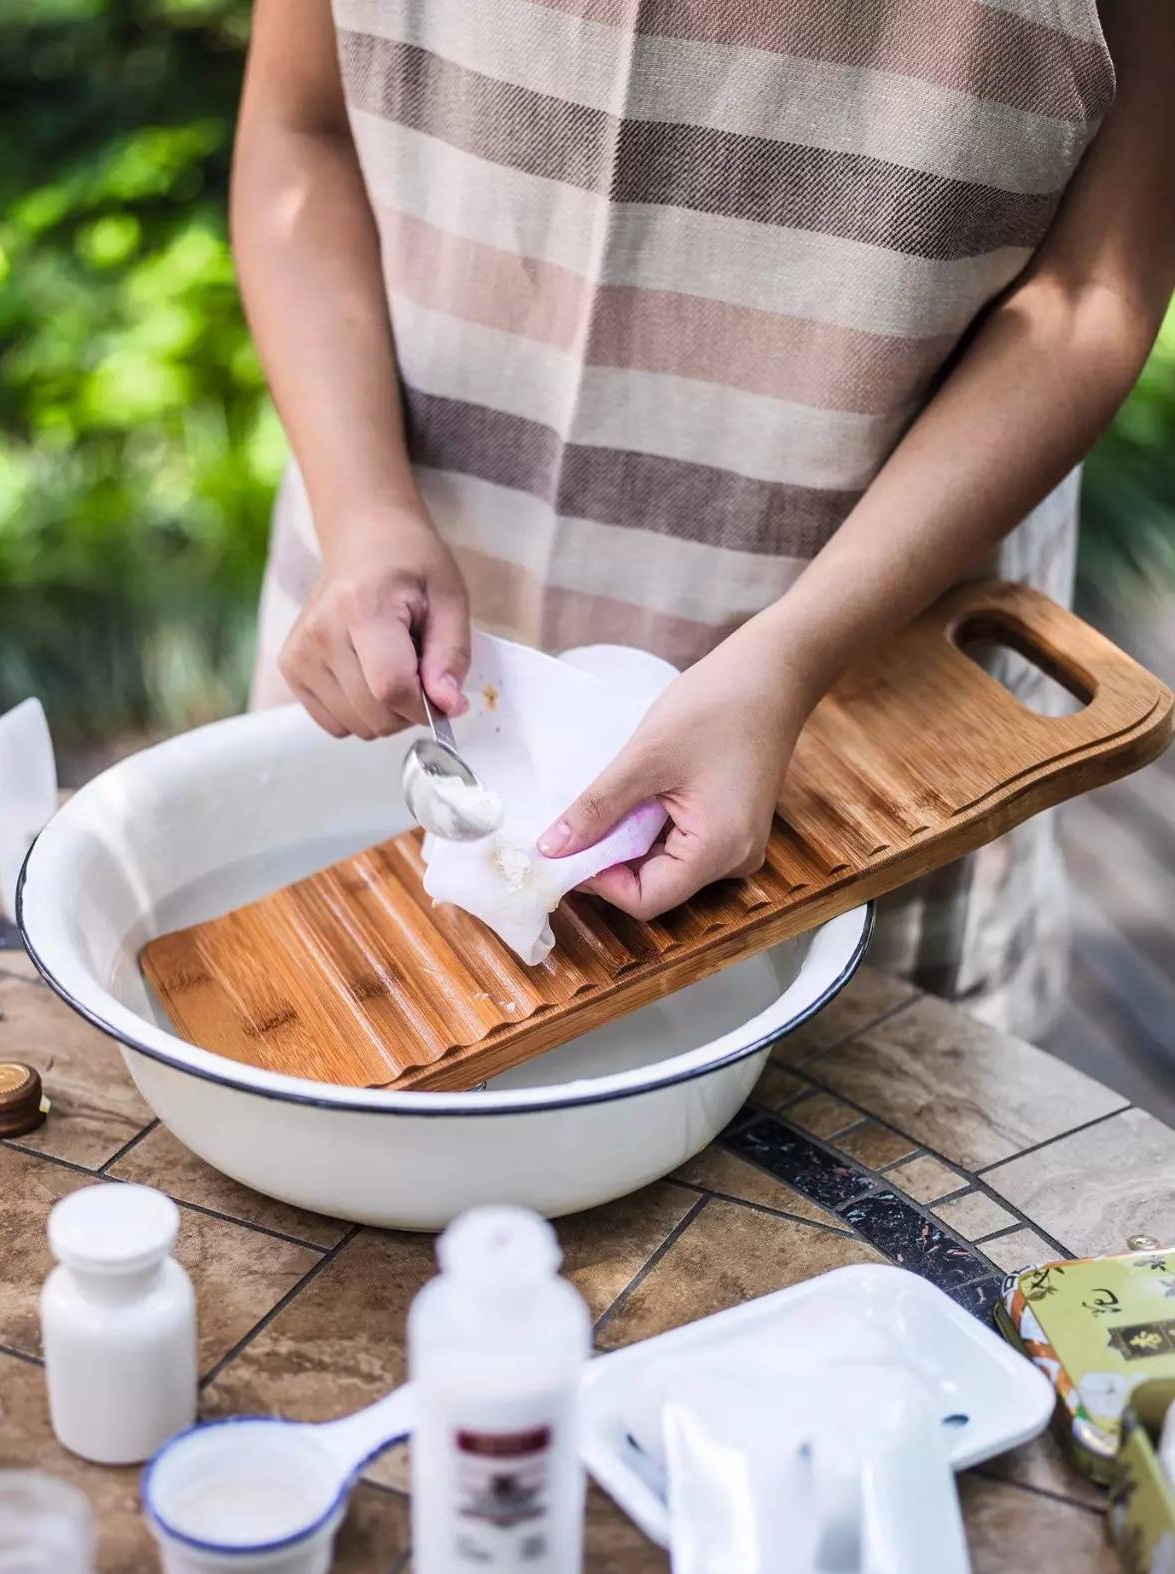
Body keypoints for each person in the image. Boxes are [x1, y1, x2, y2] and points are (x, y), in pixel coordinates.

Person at [233, 0, 1174, 1034]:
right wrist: (362, 509)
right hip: (389, 588)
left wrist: (789, 660)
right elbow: (298, 134)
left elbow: (1087, 291)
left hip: (861, 662)